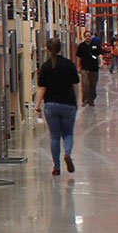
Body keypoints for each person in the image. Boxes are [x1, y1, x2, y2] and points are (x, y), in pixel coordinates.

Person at [37, 38, 80, 176]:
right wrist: (76, 101)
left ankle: (56, 166)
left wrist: (37, 105)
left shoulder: (45, 66)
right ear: (61, 48)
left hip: (51, 105)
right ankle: (67, 153)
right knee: (68, 134)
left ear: (48, 50)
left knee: (54, 136)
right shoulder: (69, 65)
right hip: (68, 104)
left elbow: (42, 88)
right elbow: (75, 86)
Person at [75, 35, 102, 106]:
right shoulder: (81, 46)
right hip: (84, 68)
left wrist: (101, 63)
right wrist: (78, 66)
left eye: (89, 36)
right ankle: (85, 100)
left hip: (94, 68)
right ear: (84, 37)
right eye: (86, 36)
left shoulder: (95, 45)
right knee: (85, 84)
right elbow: (78, 57)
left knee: (93, 84)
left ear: (91, 37)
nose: (88, 37)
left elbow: (99, 54)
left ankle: (91, 100)